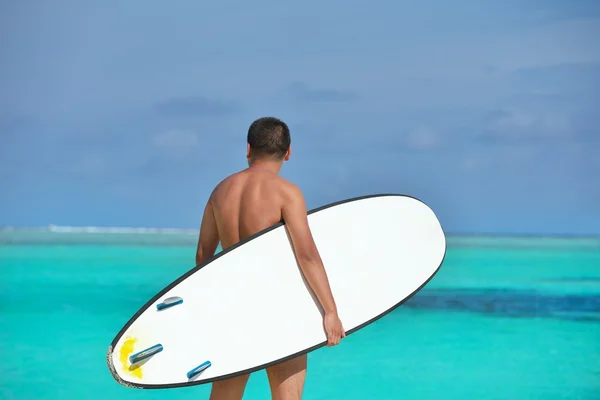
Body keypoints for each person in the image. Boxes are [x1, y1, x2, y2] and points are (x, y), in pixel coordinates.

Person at [195, 116, 346, 400]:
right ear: (288, 152)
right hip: (278, 307)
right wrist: (330, 311)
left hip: (233, 308)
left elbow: (203, 256)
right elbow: (307, 254)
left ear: (248, 148)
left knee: (225, 394)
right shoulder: (286, 193)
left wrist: (210, 304)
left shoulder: (221, 191)